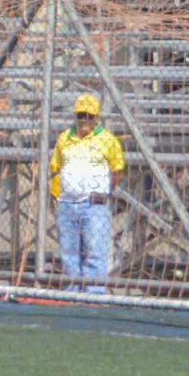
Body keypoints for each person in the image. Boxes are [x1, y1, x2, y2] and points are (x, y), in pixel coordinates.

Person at [48, 92, 125, 296]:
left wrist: (103, 190)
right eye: (81, 115)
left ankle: (94, 295)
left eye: (89, 116)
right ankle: (72, 292)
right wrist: (57, 193)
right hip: (67, 203)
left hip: (94, 204)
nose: (84, 120)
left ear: (96, 117)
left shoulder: (107, 140)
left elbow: (117, 170)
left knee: (95, 252)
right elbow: (55, 167)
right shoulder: (65, 138)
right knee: (68, 252)